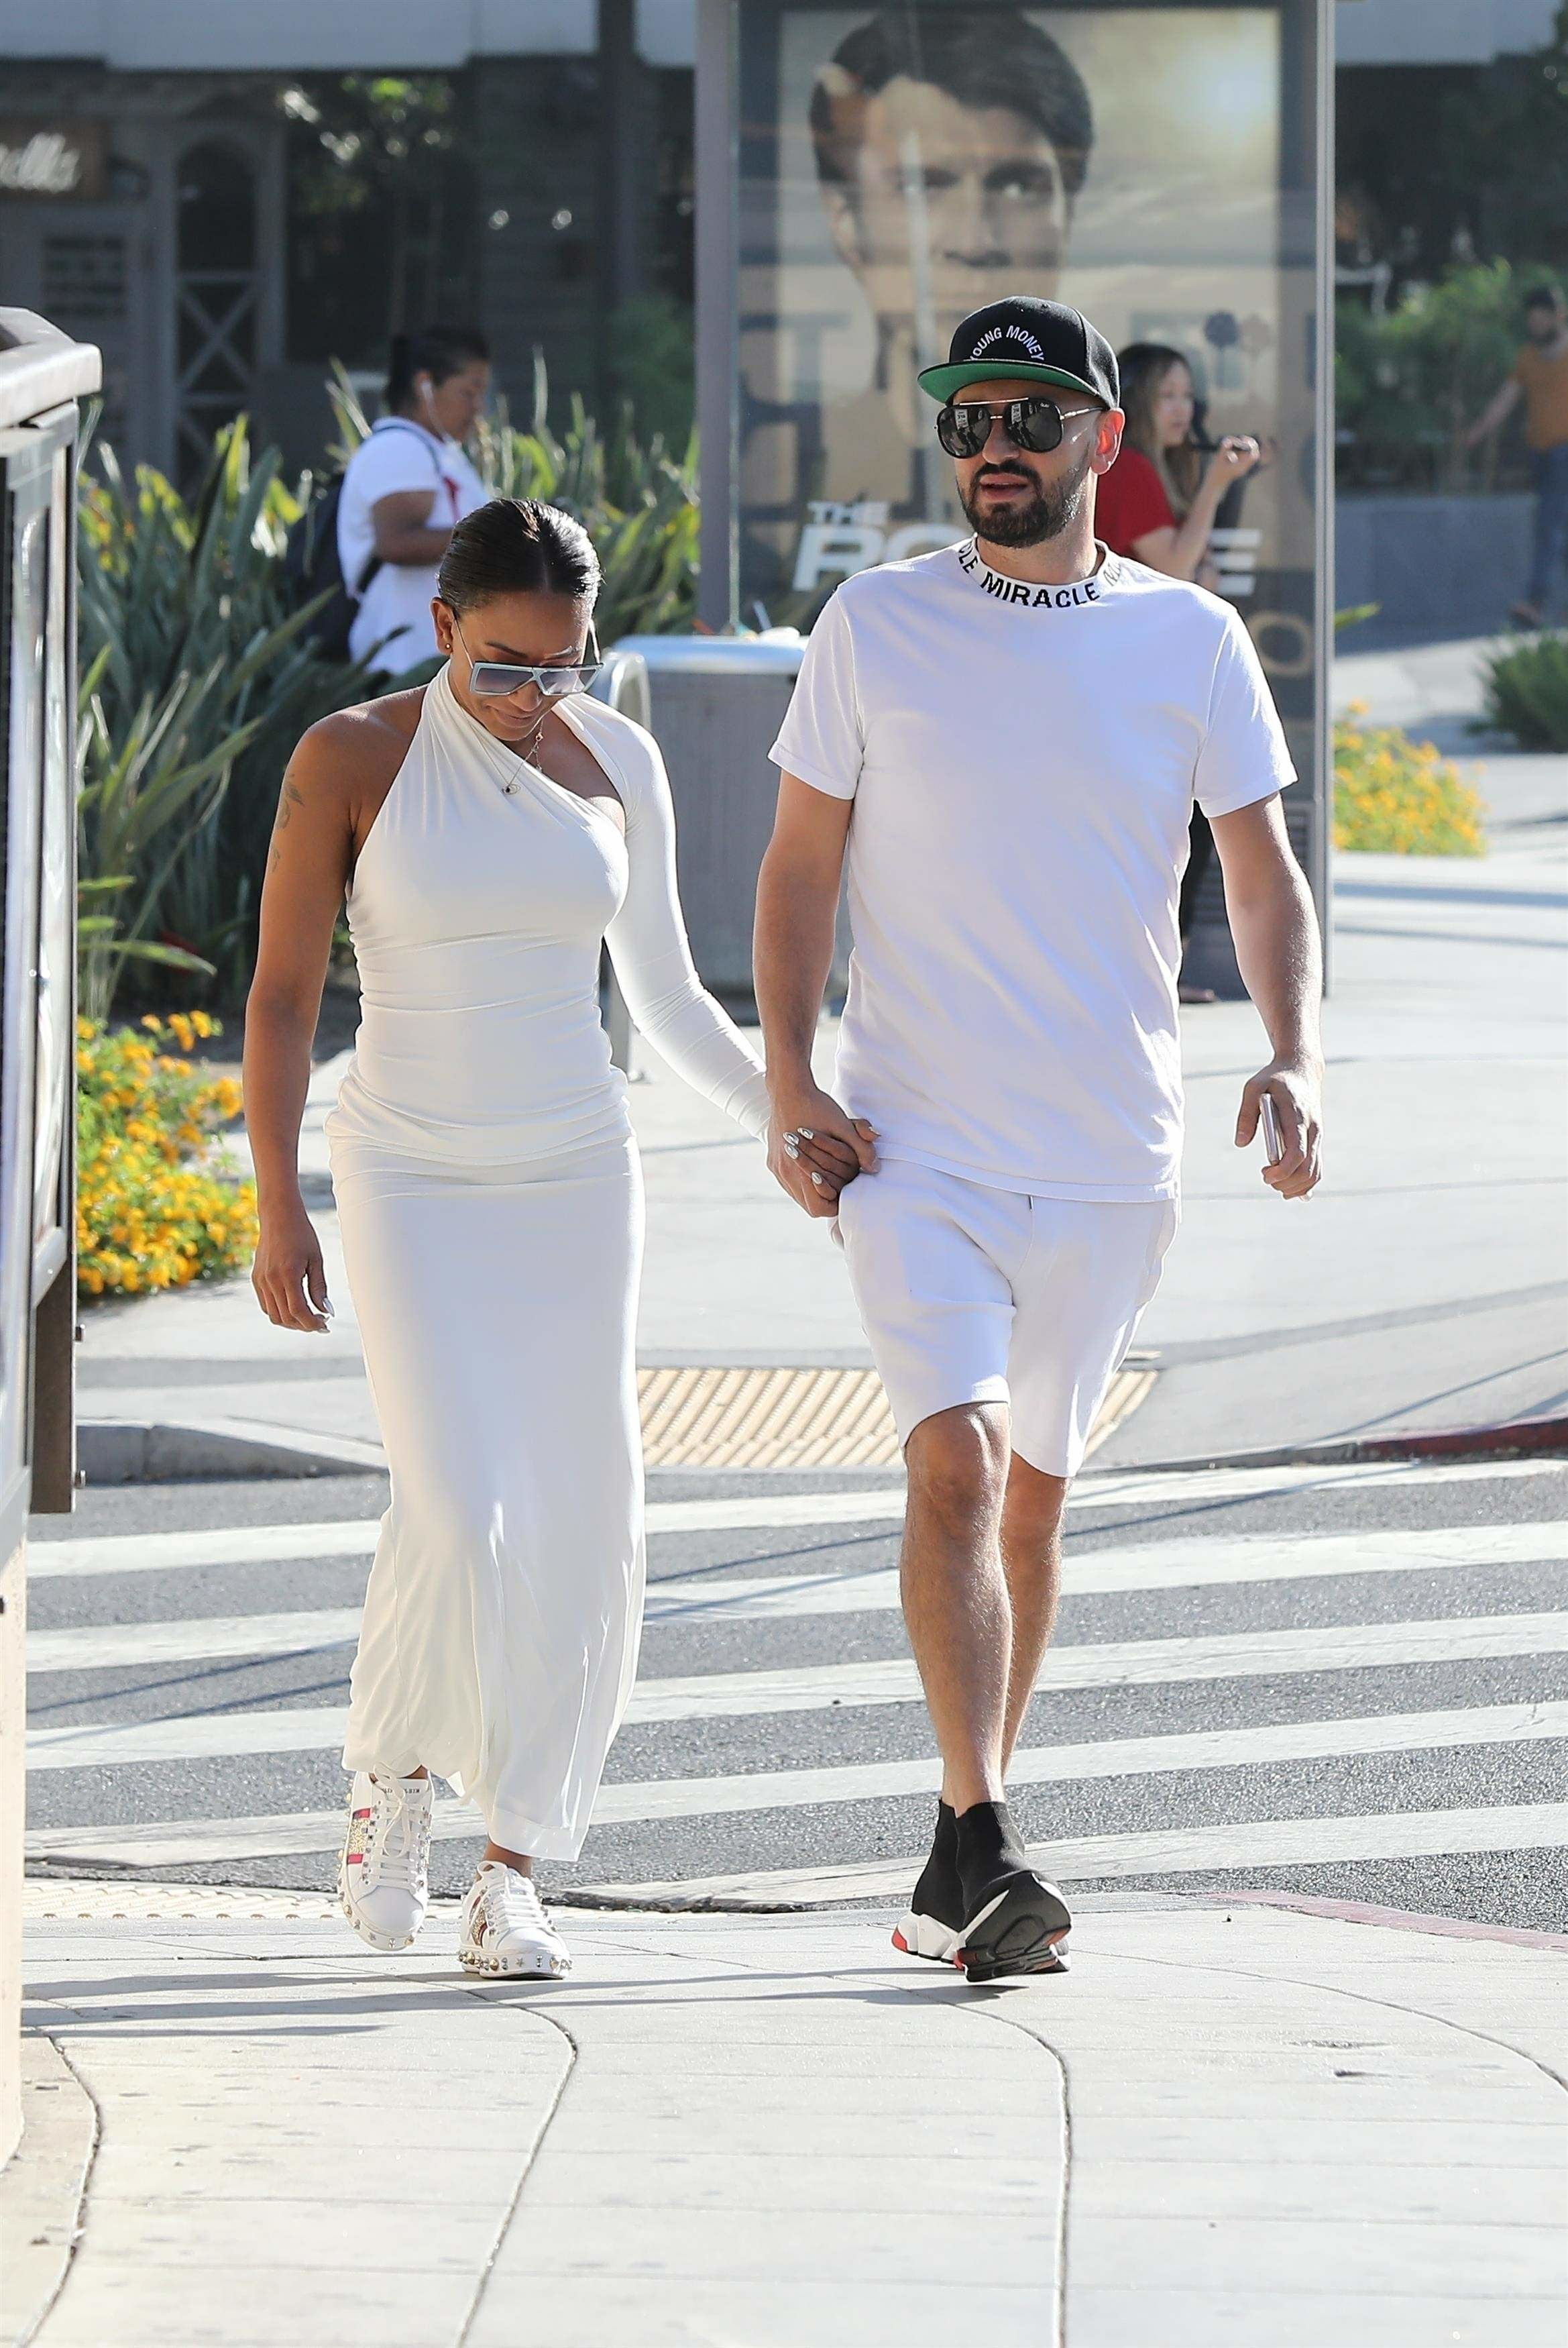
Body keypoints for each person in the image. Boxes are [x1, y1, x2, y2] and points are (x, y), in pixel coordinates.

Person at [754, 297, 1323, 1984]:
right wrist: (788, 1077)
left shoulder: (1190, 641)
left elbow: (1259, 873)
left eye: (1028, 415)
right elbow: (797, 866)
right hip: (910, 1143)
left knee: (1031, 1510)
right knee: (957, 1465)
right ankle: (988, 1826)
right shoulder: (872, 624)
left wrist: (1294, 1055)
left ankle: (958, 1851)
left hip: (1109, 1155)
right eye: (966, 419)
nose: (991, 444)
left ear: (1102, 439)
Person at [245, 500, 852, 1977]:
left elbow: (665, 1000)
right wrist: (274, 1199)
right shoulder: (351, 757)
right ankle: (391, 1777)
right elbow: (279, 998)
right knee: (457, 1506)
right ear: (442, 627)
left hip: (576, 1170)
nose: (533, 699)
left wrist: (783, 1113)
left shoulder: (617, 757)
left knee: (584, 1517)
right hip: (407, 1169)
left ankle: (511, 1870)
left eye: (562, 667)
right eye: (504, 668)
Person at [801, 7, 1094, 525]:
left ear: (1067, 214)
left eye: (1017, 186)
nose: (974, 241)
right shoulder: (795, 472)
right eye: (922, 188)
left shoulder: (1107, 476)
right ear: (845, 220)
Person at [1098, 341, 1263, 1002]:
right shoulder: (1134, 469)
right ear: (1134, 402)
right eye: (1166, 395)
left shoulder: (1143, 470)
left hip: (1132, 669)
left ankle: (1162, 968)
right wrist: (1218, 486)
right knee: (1179, 821)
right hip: (1133, 672)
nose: (1182, 409)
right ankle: (1160, 971)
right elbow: (1172, 565)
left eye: (1188, 396)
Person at [336, 324, 492, 675]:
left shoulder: (439, 451)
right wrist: (496, 542)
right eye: (469, 393)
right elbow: (396, 543)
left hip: (431, 661)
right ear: (425, 385)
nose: (478, 408)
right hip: (404, 664)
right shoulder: (399, 447)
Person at [1465, 284, 1568, 628]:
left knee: (1549, 525)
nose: (1536, 326)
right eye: (1532, 321)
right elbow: (1506, 398)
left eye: (1542, 319)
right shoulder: (1527, 357)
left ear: (1559, 316)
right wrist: (1479, 430)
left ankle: (1536, 602)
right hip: (1541, 453)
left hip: (1565, 453)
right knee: (1559, 528)